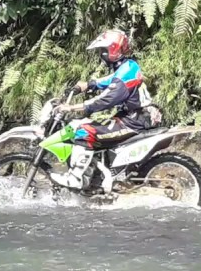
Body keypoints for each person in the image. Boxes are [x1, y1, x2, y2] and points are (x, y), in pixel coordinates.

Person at [54, 30, 158, 186]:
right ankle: (95, 176)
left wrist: (72, 108)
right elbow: (110, 80)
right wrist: (89, 84)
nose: (101, 54)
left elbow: (105, 100)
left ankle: (75, 179)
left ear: (114, 50)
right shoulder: (128, 66)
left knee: (84, 132)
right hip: (136, 116)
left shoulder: (125, 73)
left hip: (133, 121)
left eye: (104, 50)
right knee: (85, 124)